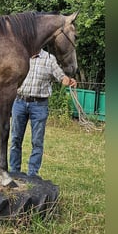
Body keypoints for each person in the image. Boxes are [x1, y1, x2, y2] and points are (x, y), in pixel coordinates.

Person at [9, 49, 77, 177]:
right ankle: (14, 172)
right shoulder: (21, 54)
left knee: (37, 142)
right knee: (15, 139)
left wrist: (68, 80)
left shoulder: (49, 59)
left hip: (39, 105)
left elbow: (61, 76)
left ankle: (32, 175)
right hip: (19, 102)